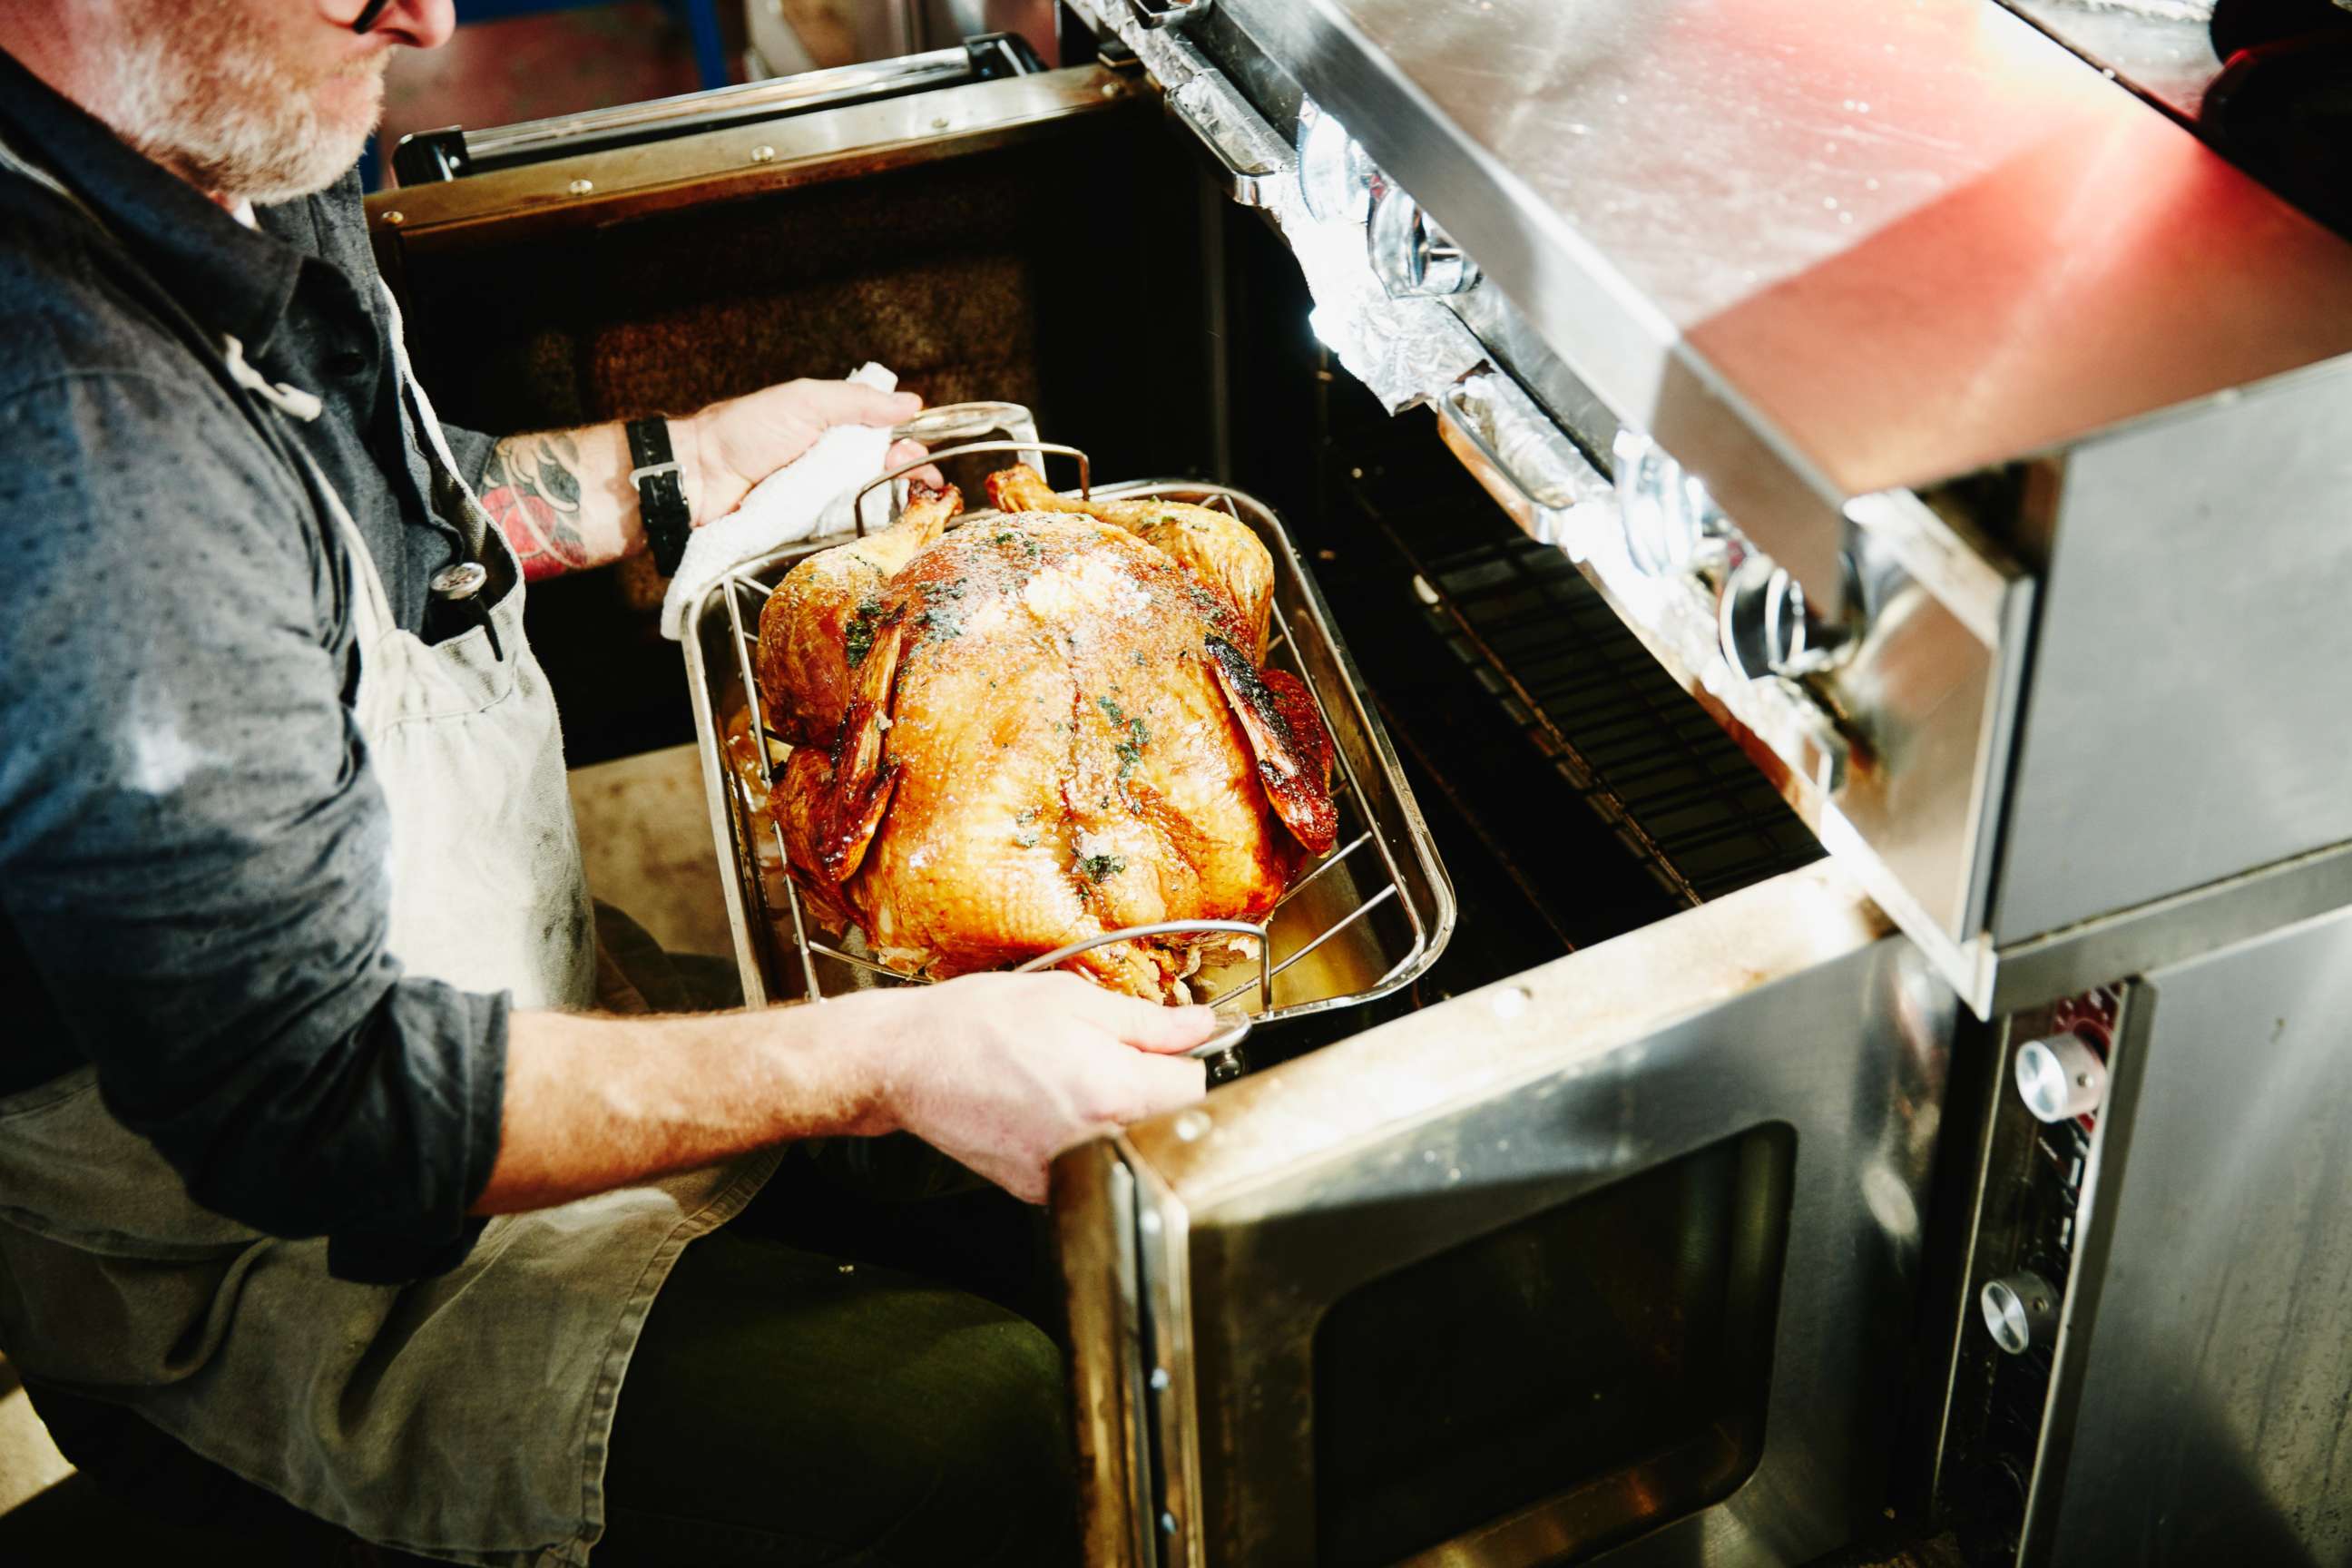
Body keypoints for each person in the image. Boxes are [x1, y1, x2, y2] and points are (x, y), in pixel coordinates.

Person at [0, 2, 1213, 1563]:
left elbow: (368, 515)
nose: (425, 14)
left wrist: (689, 463)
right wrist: (891, 1054)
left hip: (515, 1011)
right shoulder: (71, 437)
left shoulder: (229, 118)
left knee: (1087, 1231)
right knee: (974, 1440)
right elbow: (314, 1107)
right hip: (286, 1270)